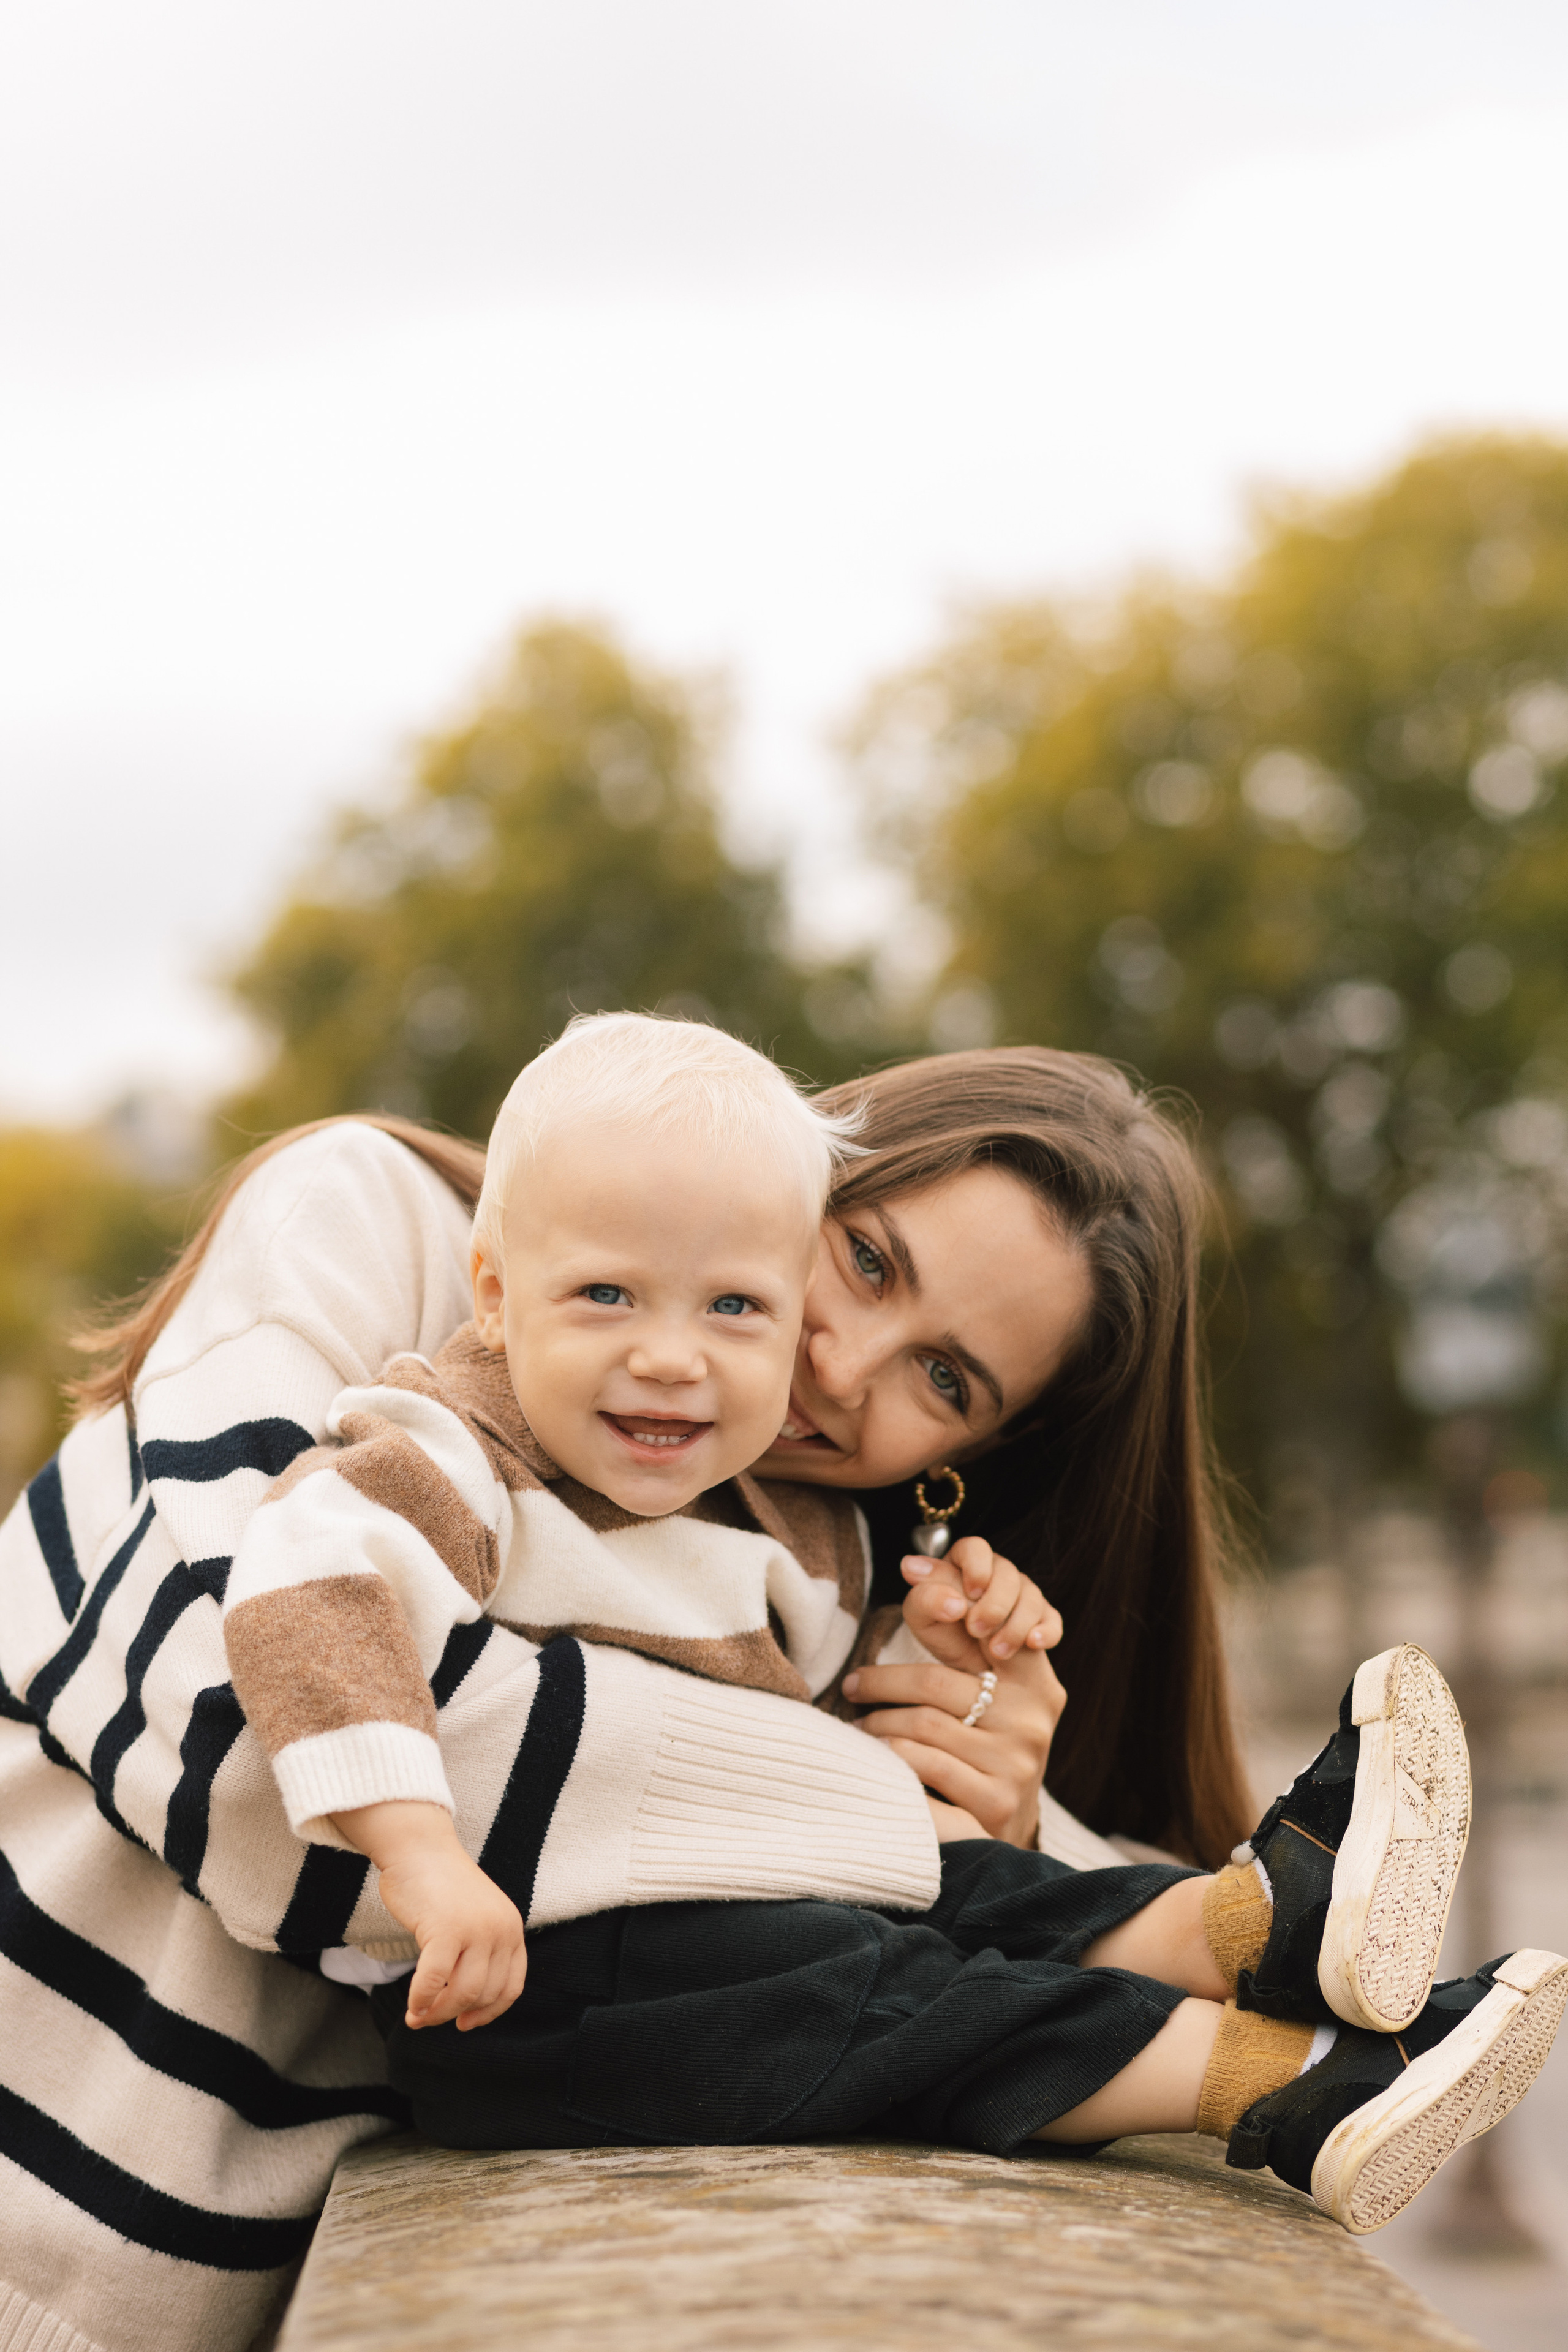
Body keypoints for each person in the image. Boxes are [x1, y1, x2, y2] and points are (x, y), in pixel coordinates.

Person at [0, 1040, 1458, 2351]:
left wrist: (991, 1811)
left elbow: (695, 1908)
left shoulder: (793, 1562)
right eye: (868, 1262)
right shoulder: (383, 1234)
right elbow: (231, 1734)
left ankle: (1282, 1982)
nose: (841, 1365)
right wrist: (882, 1821)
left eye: (942, 1381)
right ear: (808, 1159)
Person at [223, 1014, 1017, 2032]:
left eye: (732, 1306)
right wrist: (418, 1849)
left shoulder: (815, 1548)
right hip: (538, 1983)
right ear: (497, 1299)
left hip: (746, 1946)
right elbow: (306, 1586)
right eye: (609, 1294)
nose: (672, 1358)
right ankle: (1228, 2057)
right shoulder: (466, 1450)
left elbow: (855, 1739)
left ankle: (1249, 1944)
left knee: (1013, 1927)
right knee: (916, 1991)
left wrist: (966, 1666)